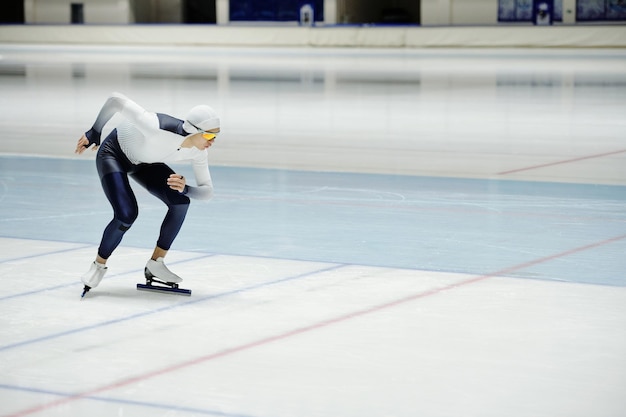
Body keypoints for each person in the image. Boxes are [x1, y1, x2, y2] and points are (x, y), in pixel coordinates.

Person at [75, 92, 220, 296]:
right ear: (193, 130)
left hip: (144, 162)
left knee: (180, 202)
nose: (212, 141)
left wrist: (185, 189)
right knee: (127, 214)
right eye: (209, 135)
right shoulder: (156, 126)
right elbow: (115, 100)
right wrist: (94, 131)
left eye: (216, 135)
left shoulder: (199, 151)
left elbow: (207, 193)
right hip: (114, 154)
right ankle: (98, 266)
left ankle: (156, 263)